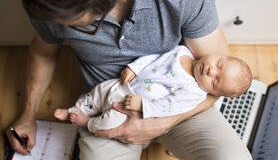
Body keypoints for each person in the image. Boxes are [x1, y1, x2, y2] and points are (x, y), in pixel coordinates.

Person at [8, 0, 256, 160]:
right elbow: (43, 52)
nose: (61, 25)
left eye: (79, 24)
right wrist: (27, 114)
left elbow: (216, 84)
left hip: (176, 100)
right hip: (108, 105)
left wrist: (161, 122)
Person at [54, 45, 252, 133]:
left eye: (215, 81)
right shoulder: (182, 52)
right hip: (125, 84)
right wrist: (135, 67)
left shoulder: (194, 92)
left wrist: (142, 105)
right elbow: (154, 59)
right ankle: (75, 109)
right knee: (98, 92)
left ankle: (87, 122)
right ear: (219, 55)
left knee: (108, 123)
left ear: (214, 93)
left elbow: (169, 107)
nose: (210, 71)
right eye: (218, 64)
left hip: (130, 106)